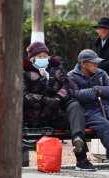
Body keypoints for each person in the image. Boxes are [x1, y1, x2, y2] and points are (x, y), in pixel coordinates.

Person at [23, 42, 96, 171]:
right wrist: (45, 100)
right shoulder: (25, 72)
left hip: (57, 114)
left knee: (74, 106)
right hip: (37, 117)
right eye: (39, 56)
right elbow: (23, 95)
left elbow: (69, 87)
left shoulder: (57, 69)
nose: (43, 58)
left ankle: (79, 145)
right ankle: (82, 159)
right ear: (32, 58)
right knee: (77, 122)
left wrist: (57, 98)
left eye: (45, 55)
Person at [67, 49, 109, 170]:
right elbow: (75, 95)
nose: (97, 65)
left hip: (106, 108)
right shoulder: (71, 76)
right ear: (83, 63)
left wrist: (96, 89)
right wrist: (96, 91)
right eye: (93, 63)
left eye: (97, 62)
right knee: (105, 125)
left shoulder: (102, 73)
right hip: (88, 111)